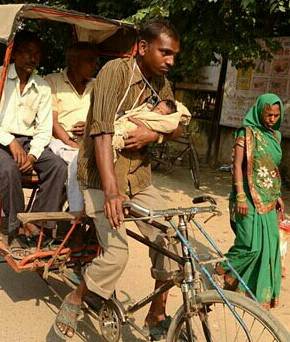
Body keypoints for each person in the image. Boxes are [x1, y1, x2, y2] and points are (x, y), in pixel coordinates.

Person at [54, 18, 182, 340]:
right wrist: (111, 193)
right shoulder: (115, 72)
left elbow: (179, 124)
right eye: (164, 52)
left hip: (138, 178)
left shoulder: (161, 84)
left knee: (170, 238)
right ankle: (77, 296)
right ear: (142, 48)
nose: (170, 60)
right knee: (117, 253)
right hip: (101, 177)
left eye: (174, 55)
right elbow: (101, 133)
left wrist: (151, 134)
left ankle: (157, 313)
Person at [0, 31, 67, 254]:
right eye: (27, 53)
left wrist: (33, 154)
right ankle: (13, 229)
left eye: (37, 54)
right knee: (9, 168)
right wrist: (10, 141)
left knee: (58, 166)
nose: (33, 59)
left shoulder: (42, 87)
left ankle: (36, 223)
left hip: (28, 143)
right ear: (14, 54)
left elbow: (43, 130)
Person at [216, 93, 285, 310]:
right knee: (249, 246)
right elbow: (236, 166)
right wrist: (240, 197)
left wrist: (278, 195)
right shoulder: (245, 134)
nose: (272, 119)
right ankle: (218, 271)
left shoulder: (276, 137)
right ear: (259, 111)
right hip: (246, 197)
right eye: (268, 114)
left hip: (268, 198)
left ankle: (251, 292)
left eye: (276, 115)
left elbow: (271, 169)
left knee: (268, 246)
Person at [45, 42, 99, 215]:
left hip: (90, 142)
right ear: (74, 62)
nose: (94, 66)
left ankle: (86, 213)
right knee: (77, 162)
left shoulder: (97, 85)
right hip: (60, 142)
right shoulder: (52, 81)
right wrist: (71, 142)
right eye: (90, 60)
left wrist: (90, 127)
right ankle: (77, 214)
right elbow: (52, 122)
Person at [112, 99, 191, 153]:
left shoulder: (163, 87)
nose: (158, 112)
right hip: (125, 122)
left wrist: (155, 136)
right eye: (157, 108)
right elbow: (142, 111)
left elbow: (176, 127)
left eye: (162, 112)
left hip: (138, 157)